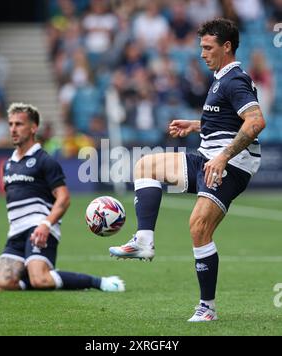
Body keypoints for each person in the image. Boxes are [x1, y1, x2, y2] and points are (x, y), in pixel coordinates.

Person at [109, 18, 266, 321]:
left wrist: (223, 157)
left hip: (229, 165)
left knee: (198, 227)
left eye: (208, 48)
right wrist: (196, 124)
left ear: (227, 47)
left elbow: (256, 122)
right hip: (207, 155)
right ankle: (143, 240)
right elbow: (228, 120)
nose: (202, 54)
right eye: (201, 48)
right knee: (146, 166)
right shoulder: (221, 78)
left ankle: (207, 308)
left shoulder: (234, 79)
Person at [0, 103, 125, 293]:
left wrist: (46, 224)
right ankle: (39, 274)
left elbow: (63, 198)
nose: (13, 129)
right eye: (11, 124)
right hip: (16, 232)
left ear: (33, 128)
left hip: (40, 227)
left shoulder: (44, 160)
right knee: (4, 283)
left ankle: (99, 282)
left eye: (19, 124)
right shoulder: (8, 164)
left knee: (40, 280)